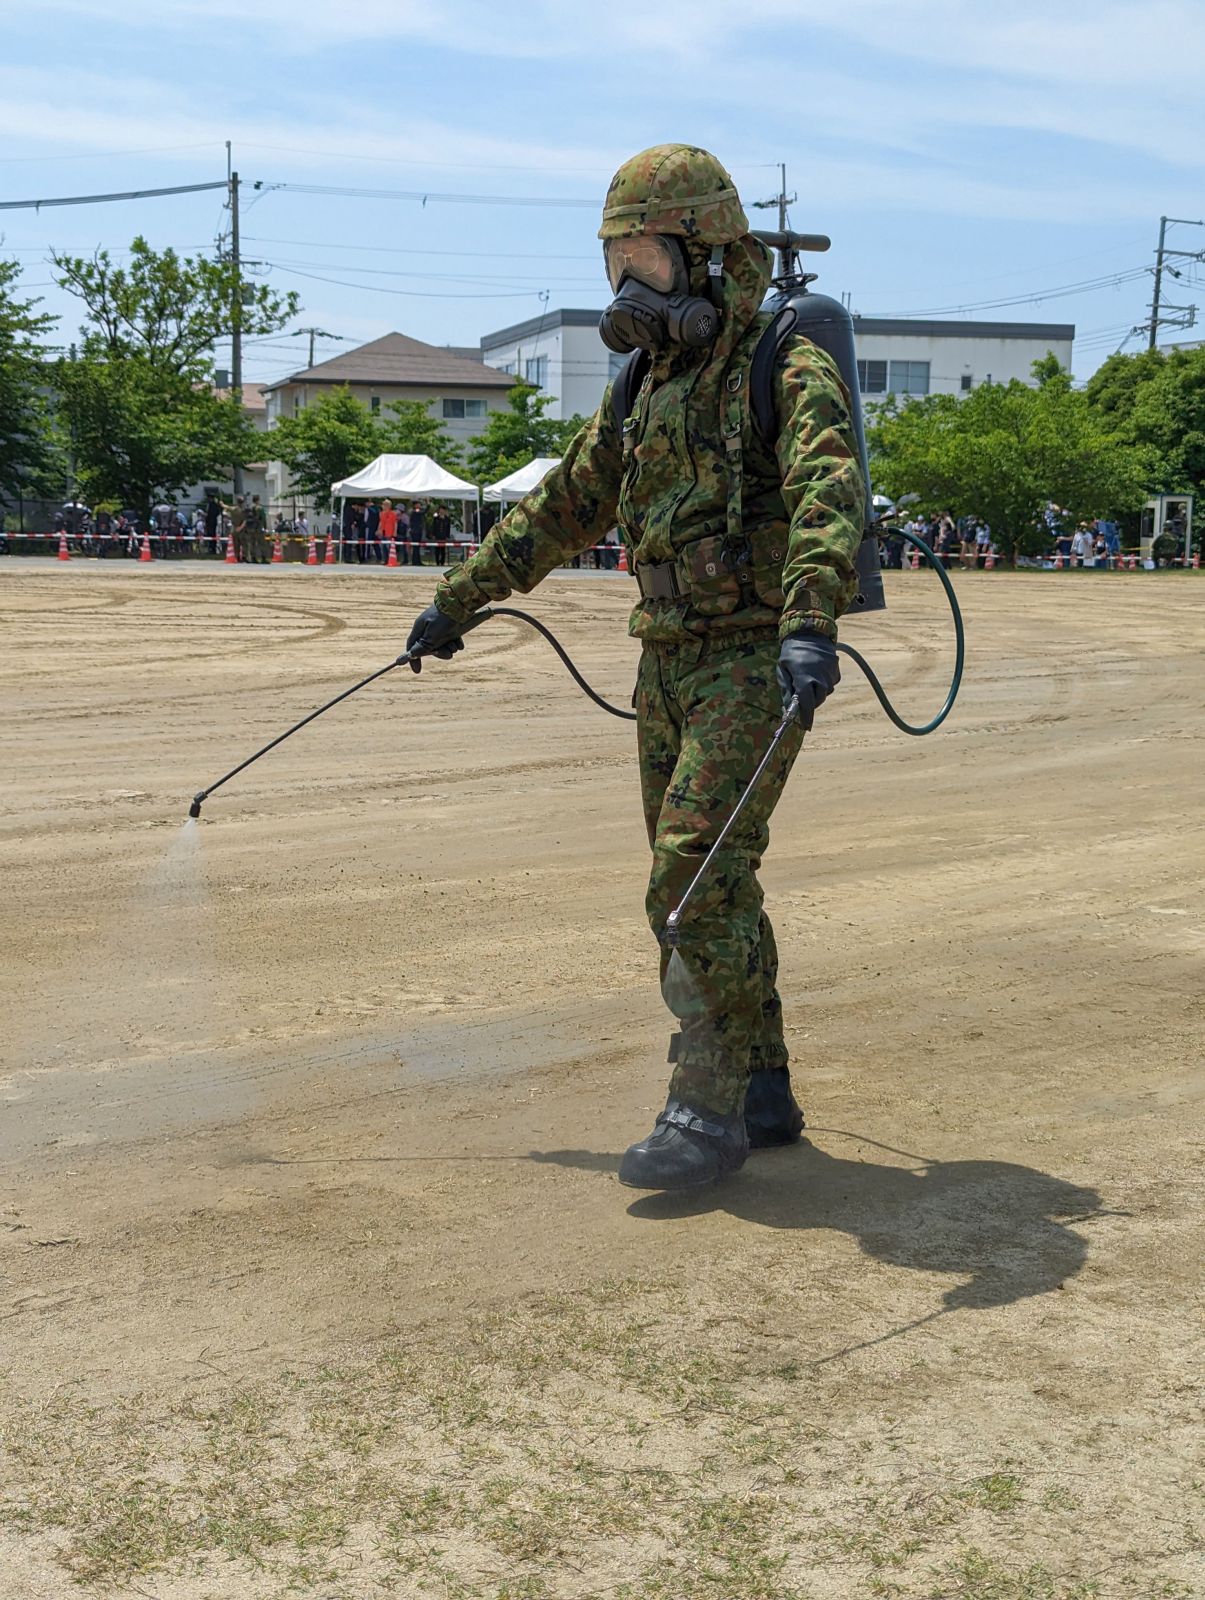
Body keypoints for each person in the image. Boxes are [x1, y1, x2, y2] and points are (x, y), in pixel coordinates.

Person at [404, 144, 866, 1192]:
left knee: (688, 881)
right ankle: (760, 1088)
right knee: (710, 884)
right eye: (613, 258)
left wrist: (808, 624)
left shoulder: (780, 358)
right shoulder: (641, 384)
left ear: (702, 253)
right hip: (662, 662)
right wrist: (455, 602)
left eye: (643, 258)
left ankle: (702, 1113)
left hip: (749, 660)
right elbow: (563, 504)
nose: (623, 284)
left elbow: (829, 490)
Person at [409, 501, 425, 566]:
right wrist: (428, 505)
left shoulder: (415, 511)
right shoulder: (416, 511)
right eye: (418, 504)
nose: (419, 505)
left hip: (418, 530)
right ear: (415, 505)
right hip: (415, 531)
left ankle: (417, 561)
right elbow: (423, 512)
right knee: (415, 547)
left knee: (417, 547)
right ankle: (415, 561)